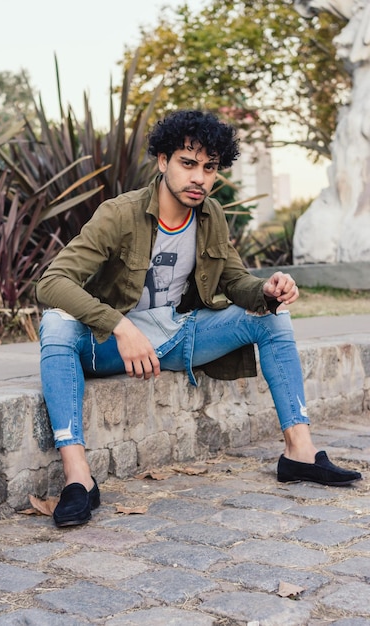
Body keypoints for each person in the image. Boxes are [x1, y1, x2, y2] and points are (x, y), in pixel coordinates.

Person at [37, 109, 362, 528]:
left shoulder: (211, 216)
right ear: (162, 162)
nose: (200, 179)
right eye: (188, 164)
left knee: (273, 317)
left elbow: (235, 279)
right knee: (56, 324)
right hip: (110, 346)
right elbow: (52, 282)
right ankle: (78, 478)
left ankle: (299, 452)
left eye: (209, 168)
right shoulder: (119, 214)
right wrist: (121, 326)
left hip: (176, 339)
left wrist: (267, 290)